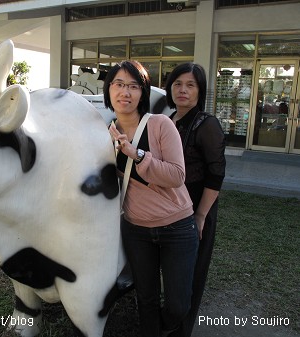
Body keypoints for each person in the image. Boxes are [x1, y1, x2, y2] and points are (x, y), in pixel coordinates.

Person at [104, 60, 199, 337]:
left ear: (143, 93)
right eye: (119, 84)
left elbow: (177, 176)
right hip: (136, 230)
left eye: (134, 86)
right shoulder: (104, 133)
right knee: (145, 299)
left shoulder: (160, 125)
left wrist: (137, 155)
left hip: (178, 228)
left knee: (178, 305)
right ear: (109, 90)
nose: (126, 92)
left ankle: (164, 327)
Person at [166, 63, 226, 337]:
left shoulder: (206, 124)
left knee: (190, 276)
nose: (183, 90)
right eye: (178, 83)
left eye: (190, 85)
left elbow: (216, 174)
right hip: (169, 211)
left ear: (199, 91)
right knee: (172, 274)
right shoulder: (168, 119)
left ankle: (181, 330)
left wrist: (201, 216)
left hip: (195, 212)